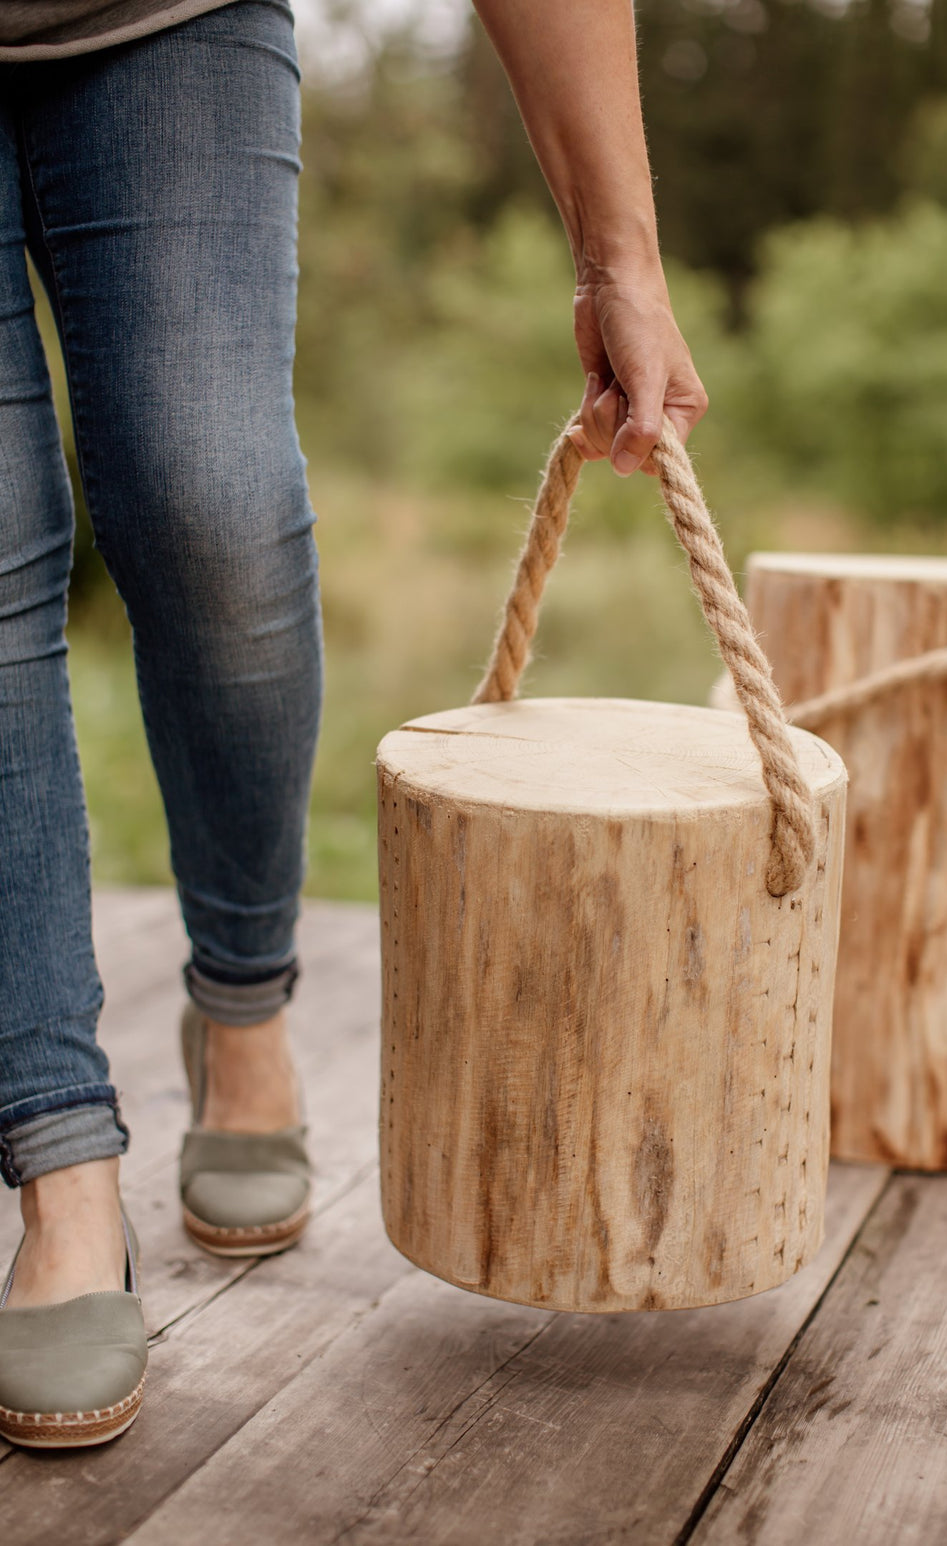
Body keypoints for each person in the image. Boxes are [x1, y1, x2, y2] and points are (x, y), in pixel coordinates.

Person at [0, 0, 708, 1447]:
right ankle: (59, 1160)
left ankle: (243, 998)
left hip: (162, 22)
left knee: (221, 507)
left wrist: (618, 251)